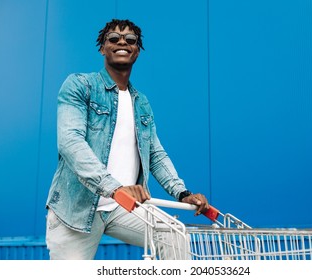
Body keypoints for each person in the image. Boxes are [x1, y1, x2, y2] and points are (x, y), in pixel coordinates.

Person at [45, 19, 209, 260]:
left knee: (173, 234)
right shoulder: (81, 85)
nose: (122, 42)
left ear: (137, 51)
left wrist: (183, 193)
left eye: (130, 40)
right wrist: (115, 188)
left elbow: (155, 154)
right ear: (103, 47)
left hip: (122, 207)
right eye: (113, 38)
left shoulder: (141, 102)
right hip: (76, 209)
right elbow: (71, 142)